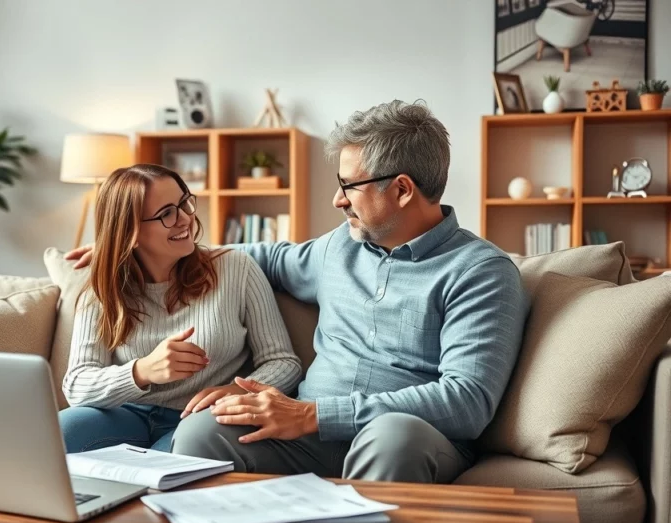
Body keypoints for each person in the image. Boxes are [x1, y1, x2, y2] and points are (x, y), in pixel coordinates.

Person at [66, 100, 529, 483]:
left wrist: (314, 415)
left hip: (408, 439)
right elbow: (249, 257)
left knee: (392, 436)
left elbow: (467, 401)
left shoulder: (480, 272)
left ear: (402, 189)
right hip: (306, 439)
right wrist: (123, 245)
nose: (338, 199)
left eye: (349, 186)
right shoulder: (337, 248)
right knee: (203, 432)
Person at [59, 163, 302, 454]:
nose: (186, 218)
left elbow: (284, 363)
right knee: (61, 431)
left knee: (176, 459)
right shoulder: (103, 287)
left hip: (201, 419)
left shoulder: (236, 268)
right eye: (166, 213)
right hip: (126, 415)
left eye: (184, 202)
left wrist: (239, 389)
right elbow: (77, 385)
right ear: (130, 233)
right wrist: (142, 371)